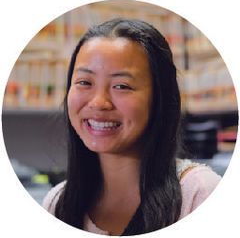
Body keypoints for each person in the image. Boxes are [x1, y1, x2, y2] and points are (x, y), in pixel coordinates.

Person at [42, 18, 221, 235]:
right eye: (84, 82)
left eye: (122, 86)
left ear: (160, 98)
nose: (98, 102)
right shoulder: (56, 204)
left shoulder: (198, 194)